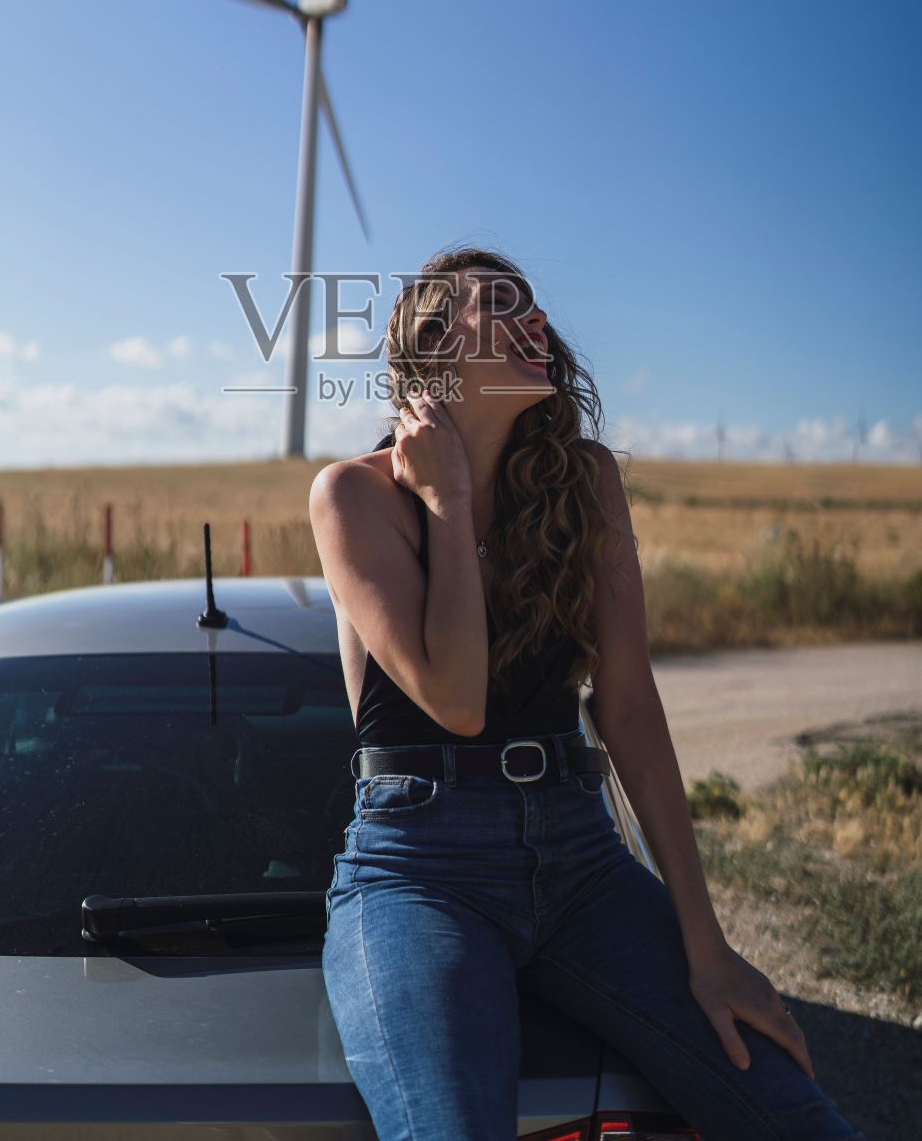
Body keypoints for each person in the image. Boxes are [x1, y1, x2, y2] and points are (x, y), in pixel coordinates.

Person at [309, 244, 866, 1141]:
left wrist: (706, 943)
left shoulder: (585, 483)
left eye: (533, 305)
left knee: (790, 1110)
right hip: (417, 870)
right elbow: (457, 703)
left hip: (582, 859)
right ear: (435, 346)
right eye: (498, 304)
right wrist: (448, 501)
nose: (534, 319)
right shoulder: (353, 497)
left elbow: (630, 707)